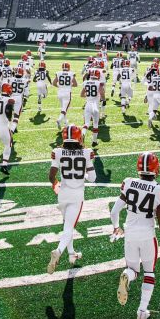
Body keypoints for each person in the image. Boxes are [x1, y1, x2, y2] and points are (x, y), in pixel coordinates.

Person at [110, 152, 160, 319]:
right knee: (149, 272)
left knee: (133, 270)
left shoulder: (128, 183)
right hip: (147, 234)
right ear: (155, 168)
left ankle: (126, 276)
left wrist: (116, 227)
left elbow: (114, 211)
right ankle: (142, 311)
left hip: (130, 234)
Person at [47, 125, 97, 273]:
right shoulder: (87, 153)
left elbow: (51, 176)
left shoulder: (58, 152)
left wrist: (55, 184)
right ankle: (58, 251)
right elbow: (93, 178)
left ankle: (71, 254)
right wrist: (83, 175)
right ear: (79, 137)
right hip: (76, 195)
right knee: (69, 227)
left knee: (67, 224)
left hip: (63, 193)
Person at [54, 61, 78, 128]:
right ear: (69, 67)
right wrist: (69, 85)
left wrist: (60, 86)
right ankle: (59, 120)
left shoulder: (58, 73)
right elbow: (75, 84)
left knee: (63, 108)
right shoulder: (71, 73)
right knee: (64, 109)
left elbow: (54, 83)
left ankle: (65, 123)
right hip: (67, 93)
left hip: (60, 93)